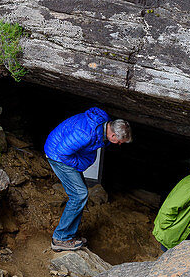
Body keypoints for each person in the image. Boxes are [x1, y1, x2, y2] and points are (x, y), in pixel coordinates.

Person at [44, 107, 132, 251]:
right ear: (113, 136)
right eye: (120, 142)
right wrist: (78, 165)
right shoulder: (85, 134)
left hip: (64, 152)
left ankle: (69, 235)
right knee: (79, 195)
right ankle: (60, 238)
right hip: (57, 156)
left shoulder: (103, 125)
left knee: (80, 195)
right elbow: (62, 153)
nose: (119, 145)